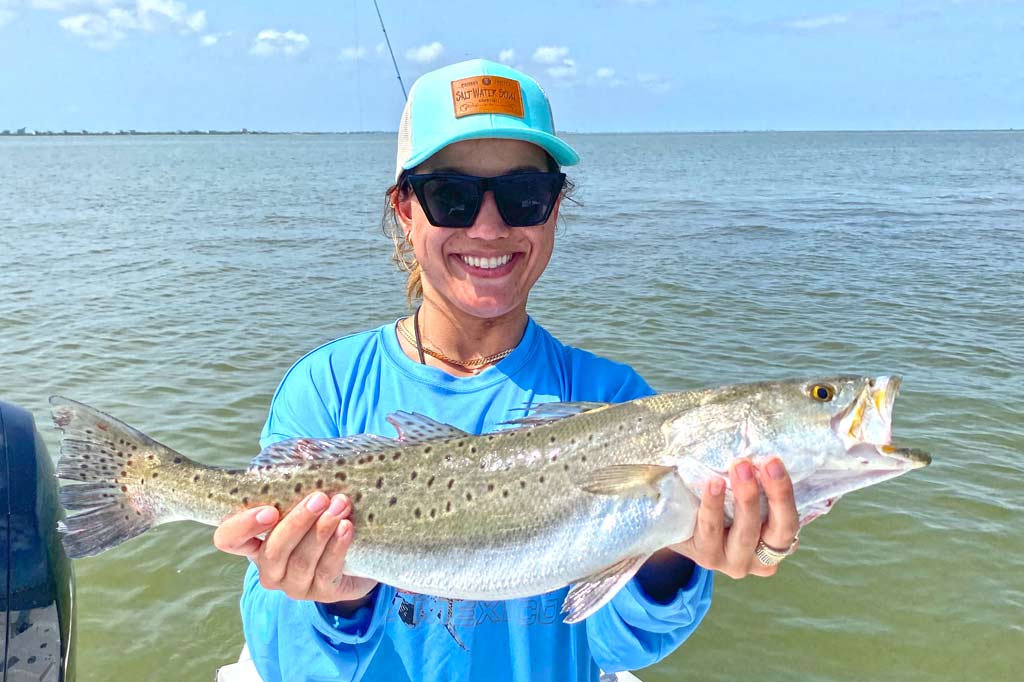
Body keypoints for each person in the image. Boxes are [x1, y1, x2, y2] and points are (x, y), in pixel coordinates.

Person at [213, 58, 800, 682]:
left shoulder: (614, 399)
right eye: (451, 197)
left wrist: (669, 558)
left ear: (554, 210)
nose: (489, 228)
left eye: (524, 195)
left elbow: (616, 650)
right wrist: (338, 598)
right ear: (405, 210)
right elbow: (284, 658)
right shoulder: (325, 387)